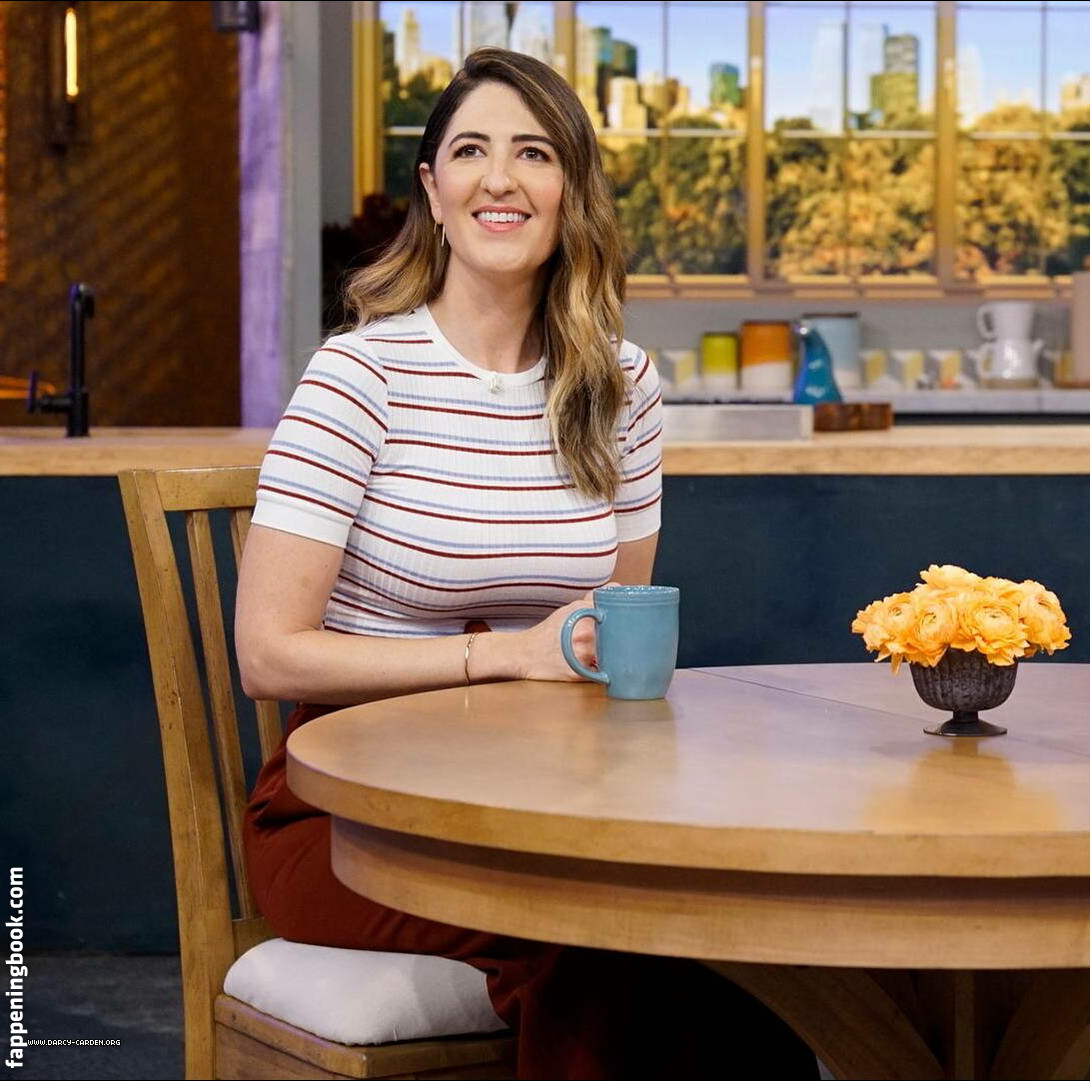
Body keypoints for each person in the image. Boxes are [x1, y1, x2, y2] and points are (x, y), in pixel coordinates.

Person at [233, 49, 813, 1079]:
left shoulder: (620, 386)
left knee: (737, 935)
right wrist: (503, 655)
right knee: (597, 936)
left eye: (533, 153)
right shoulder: (359, 377)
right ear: (433, 191)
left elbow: (612, 630)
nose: (499, 179)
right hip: (353, 817)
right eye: (471, 152)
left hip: (541, 801)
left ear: (570, 189)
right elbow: (269, 655)